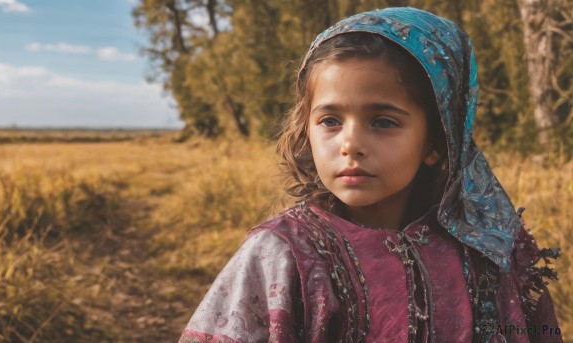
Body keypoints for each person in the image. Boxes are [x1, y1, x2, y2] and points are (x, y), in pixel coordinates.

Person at [179, 7, 562, 343]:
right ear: (305, 129)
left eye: (382, 121)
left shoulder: (486, 251)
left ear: (437, 140)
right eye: (330, 120)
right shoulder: (281, 254)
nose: (351, 144)